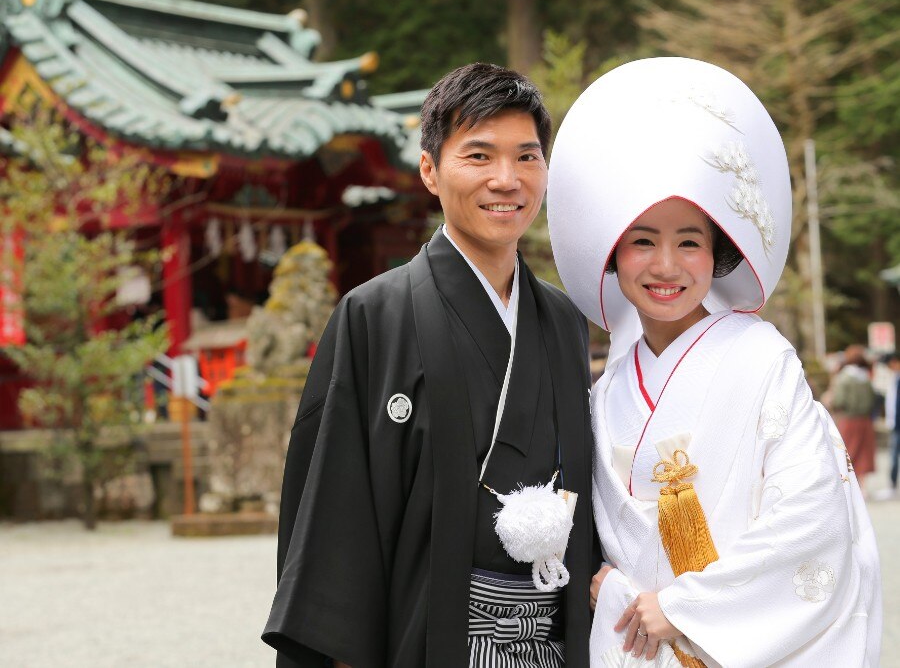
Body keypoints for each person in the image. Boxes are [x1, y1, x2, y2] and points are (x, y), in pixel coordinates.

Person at [547, 57, 881, 667]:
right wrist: (615, 586)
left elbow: (813, 517)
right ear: (613, 256)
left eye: (690, 243)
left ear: (719, 254)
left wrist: (685, 607)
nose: (667, 266)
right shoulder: (607, 390)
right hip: (635, 646)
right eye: (643, 241)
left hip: (727, 641)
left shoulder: (762, 359)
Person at [263, 63, 596, 668]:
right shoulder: (373, 316)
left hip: (550, 644)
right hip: (422, 642)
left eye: (527, 157)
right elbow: (336, 510)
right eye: (478, 156)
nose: (506, 179)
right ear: (429, 170)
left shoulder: (565, 322)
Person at [831, 344, 877, 493]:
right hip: (865, 420)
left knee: (848, 452)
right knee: (864, 452)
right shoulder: (866, 378)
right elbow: (873, 399)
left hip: (848, 419)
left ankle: (849, 486)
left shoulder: (844, 377)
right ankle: (863, 488)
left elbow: (839, 400)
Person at [875, 353, 900, 500]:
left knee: (893, 455)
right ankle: (892, 485)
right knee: (892, 456)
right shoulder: (894, 378)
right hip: (895, 423)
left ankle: (892, 486)